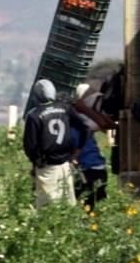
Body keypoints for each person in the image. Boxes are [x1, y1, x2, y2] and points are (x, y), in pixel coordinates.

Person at [23, 79, 87, 208]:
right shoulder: (65, 109)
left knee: (47, 207)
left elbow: (30, 145)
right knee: (68, 204)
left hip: (47, 167)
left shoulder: (34, 115)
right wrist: (77, 150)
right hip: (65, 165)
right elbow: (84, 127)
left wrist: (36, 161)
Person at [71, 83, 116, 211]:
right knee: (95, 205)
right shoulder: (85, 122)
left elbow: (104, 124)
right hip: (98, 167)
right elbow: (106, 124)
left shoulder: (76, 123)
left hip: (87, 170)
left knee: (85, 205)